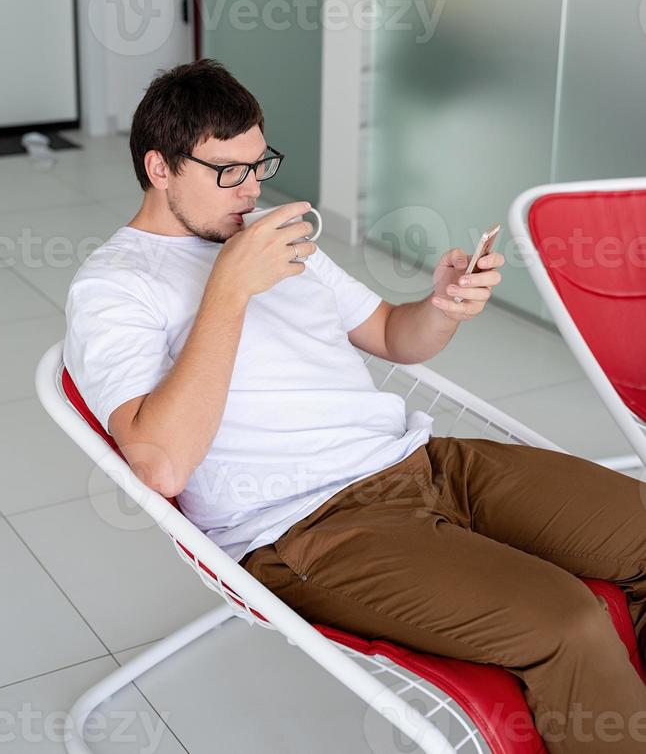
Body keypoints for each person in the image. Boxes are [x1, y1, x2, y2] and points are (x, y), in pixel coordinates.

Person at [64, 58, 646, 753]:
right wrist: (228, 289)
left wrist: (442, 307)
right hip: (307, 526)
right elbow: (158, 466)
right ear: (160, 169)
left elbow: (394, 336)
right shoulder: (113, 287)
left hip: (423, 461)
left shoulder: (277, 239)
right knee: (568, 625)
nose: (252, 189)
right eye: (228, 173)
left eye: (260, 164)